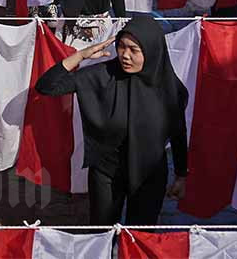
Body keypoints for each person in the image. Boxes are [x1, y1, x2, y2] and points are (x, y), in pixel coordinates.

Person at [34, 14, 188, 225]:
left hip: (149, 175)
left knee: (139, 238)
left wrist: (181, 174)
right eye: (122, 47)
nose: (125, 55)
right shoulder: (102, 75)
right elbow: (46, 86)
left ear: (152, 51)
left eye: (134, 50)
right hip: (106, 174)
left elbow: (178, 132)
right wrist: (81, 56)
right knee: (101, 234)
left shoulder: (170, 88)